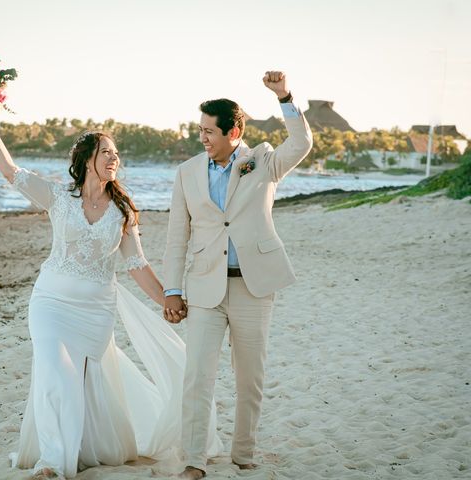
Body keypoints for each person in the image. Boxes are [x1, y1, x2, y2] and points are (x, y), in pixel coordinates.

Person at [0, 94, 222, 479]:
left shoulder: (123, 211)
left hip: (95, 312)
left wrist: (170, 299)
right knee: (54, 371)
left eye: (117, 153)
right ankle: (52, 463)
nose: (115, 158)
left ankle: (76, 449)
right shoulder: (56, 197)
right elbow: (9, 170)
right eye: (107, 152)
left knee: (79, 384)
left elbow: (136, 265)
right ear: (87, 159)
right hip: (50, 302)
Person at [162, 71, 313, 479]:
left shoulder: (263, 160)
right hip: (205, 287)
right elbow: (177, 237)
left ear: (235, 131)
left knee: (250, 377)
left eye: (210, 131)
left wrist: (284, 97)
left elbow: (301, 143)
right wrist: (172, 291)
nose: (203, 138)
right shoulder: (187, 172)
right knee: (197, 377)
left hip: (253, 286)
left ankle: (243, 455)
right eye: (200, 131)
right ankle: (194, 461)